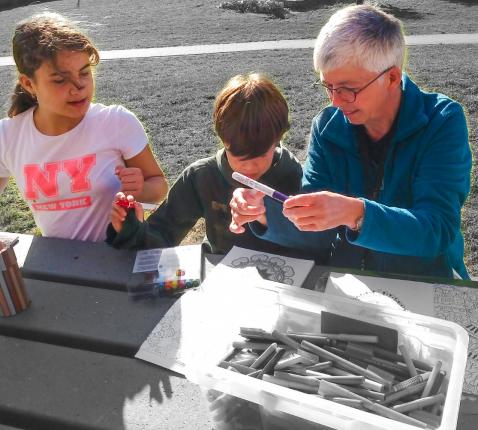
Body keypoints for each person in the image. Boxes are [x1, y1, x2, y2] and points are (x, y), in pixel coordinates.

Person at [229, 4, 472, 279]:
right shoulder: (328, 126)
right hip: (351, 288)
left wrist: (356, 213)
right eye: (328, 87)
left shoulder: (441, 121)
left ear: (392, 77)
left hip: (424, 283)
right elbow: (318, 231)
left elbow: (436, 230)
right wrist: (263, 214)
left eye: (348, 89)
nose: (335, 100)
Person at [0, 12, 167, 242]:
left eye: (85, 73)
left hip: (120, 256)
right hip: (56, 266)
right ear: (29, 84)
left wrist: (139, 189)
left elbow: (159, 187)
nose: (78, 86)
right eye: (60, 79)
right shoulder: (8, 136)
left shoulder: (116, 122)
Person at [107, 73, 303, 255]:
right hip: (221, 278)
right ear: (223, 139)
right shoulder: (202, 176)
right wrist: (131, 229)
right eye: (238, 156)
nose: (249, 168)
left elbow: (313, 242)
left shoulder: (294, 175)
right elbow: (164, 233)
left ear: (278, 138)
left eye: (259, 155)